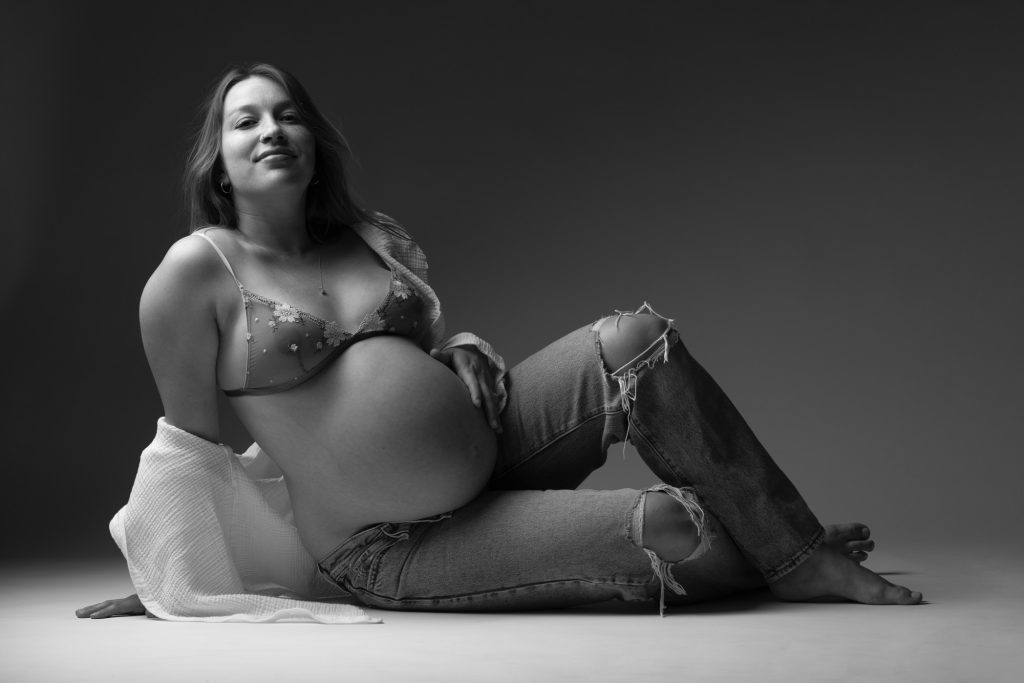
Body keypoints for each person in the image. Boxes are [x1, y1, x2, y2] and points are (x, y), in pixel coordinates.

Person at [77, 63, 921, 622]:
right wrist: (165, 579)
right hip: (391, 545)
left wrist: (460, 348)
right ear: (219, 162)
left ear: (311, 139)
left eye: (288, 114)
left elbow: (407, 362)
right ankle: (781, 541)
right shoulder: (197, 274)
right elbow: (188, 449)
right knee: (673, 525)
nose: (271, 130)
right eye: (245, 120)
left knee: (637, 337)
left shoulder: (371, 238)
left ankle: (793, 550)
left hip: (489, 456)